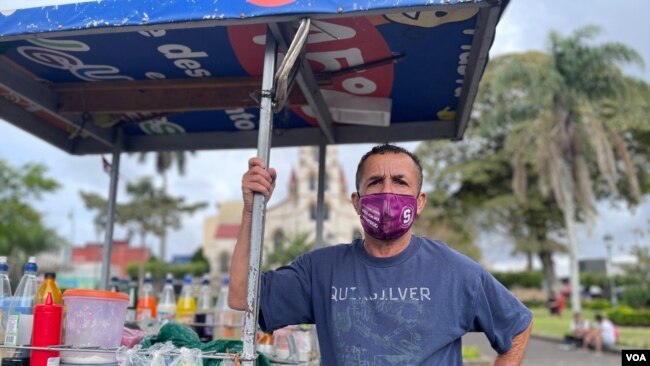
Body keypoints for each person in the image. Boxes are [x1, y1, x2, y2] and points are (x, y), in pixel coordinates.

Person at [229, 144, 533, 365]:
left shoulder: (455, 270)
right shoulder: (321, 270)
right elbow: (242, 295)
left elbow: (517, 326)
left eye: (400, 182)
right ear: (357, 202)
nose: (388, 193)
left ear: (420, 201)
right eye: (375, 182)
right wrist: (250, 211)